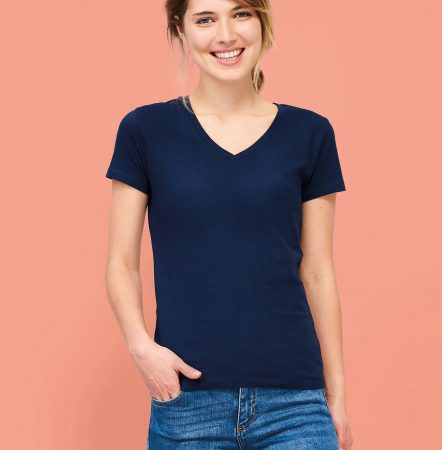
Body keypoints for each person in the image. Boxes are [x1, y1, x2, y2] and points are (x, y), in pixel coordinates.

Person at [105, 0, 353, 448]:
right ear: (181, 31)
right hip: (187, 402)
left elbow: (318, 270)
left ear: (262, 22)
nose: (226, 35)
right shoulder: (145, 131)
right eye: (205, 19)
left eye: (241, 14)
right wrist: (141, 347)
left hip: (296, 404)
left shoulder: (310, 133)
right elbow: (121, 262)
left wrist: (335, 396)